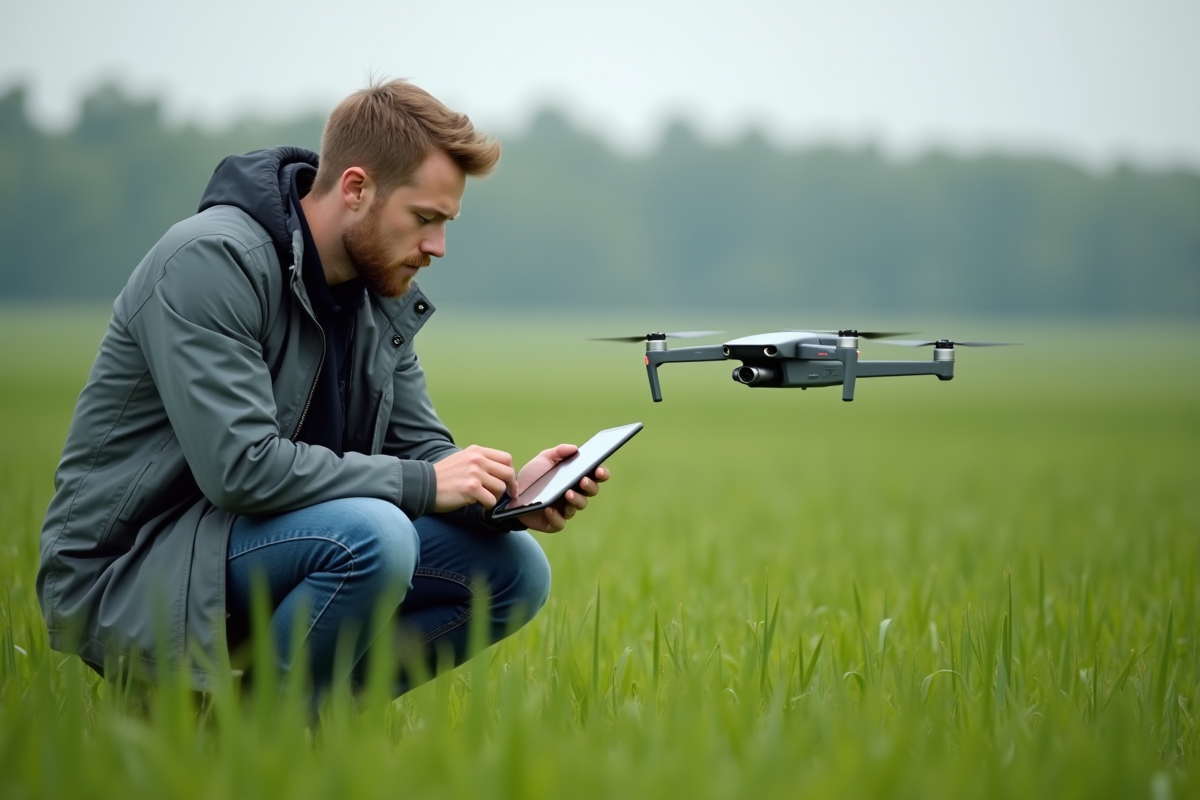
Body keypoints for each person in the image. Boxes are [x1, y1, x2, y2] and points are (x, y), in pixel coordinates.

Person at [35, 79, 607, 701]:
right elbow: (241, 471)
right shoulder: (210, 261)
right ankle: (256, 749)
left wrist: (505, 497)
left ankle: (278, 727)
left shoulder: (373, 290)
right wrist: (426, 484)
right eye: (424, 219)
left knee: (513, 570)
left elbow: (424, 452)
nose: (437, 247)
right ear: (357, 188)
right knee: (374, 536)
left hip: (262, 542)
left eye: (446, 224)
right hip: (137, 569)